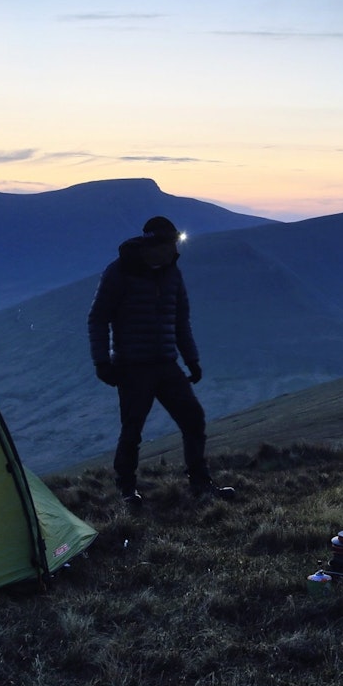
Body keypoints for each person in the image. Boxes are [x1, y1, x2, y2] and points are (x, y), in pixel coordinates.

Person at [87, 216, 235, 507]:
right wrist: (102, 362)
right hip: (132, 366)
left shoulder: (172, 273)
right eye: (169, 244)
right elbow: (98, 318)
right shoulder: (119, 272)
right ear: (154, 244)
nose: (174, 251)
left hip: (166, 364)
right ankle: (127, 492)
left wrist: (191, 359)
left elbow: (180, 320)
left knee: (193, 419)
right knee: (132, 430)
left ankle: (200, 484)